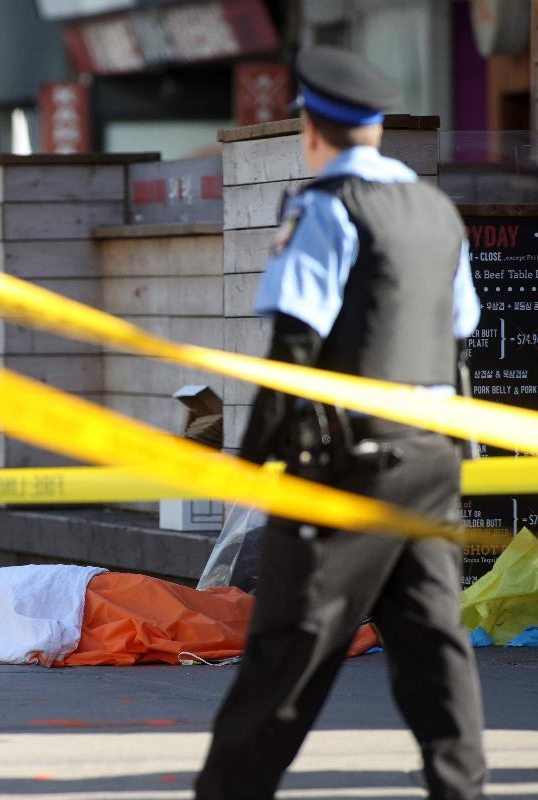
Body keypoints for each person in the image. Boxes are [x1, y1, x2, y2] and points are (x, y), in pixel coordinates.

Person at [195, 47, 487, 799]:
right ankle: (463, 789)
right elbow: (461, 329)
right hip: (431, 460)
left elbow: (294, 348)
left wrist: (249, 461)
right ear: (378, 130)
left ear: (311, 129)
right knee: (433, 648)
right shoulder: (437, 211)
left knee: (285, 654)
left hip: (346, 468)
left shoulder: (327, 207)